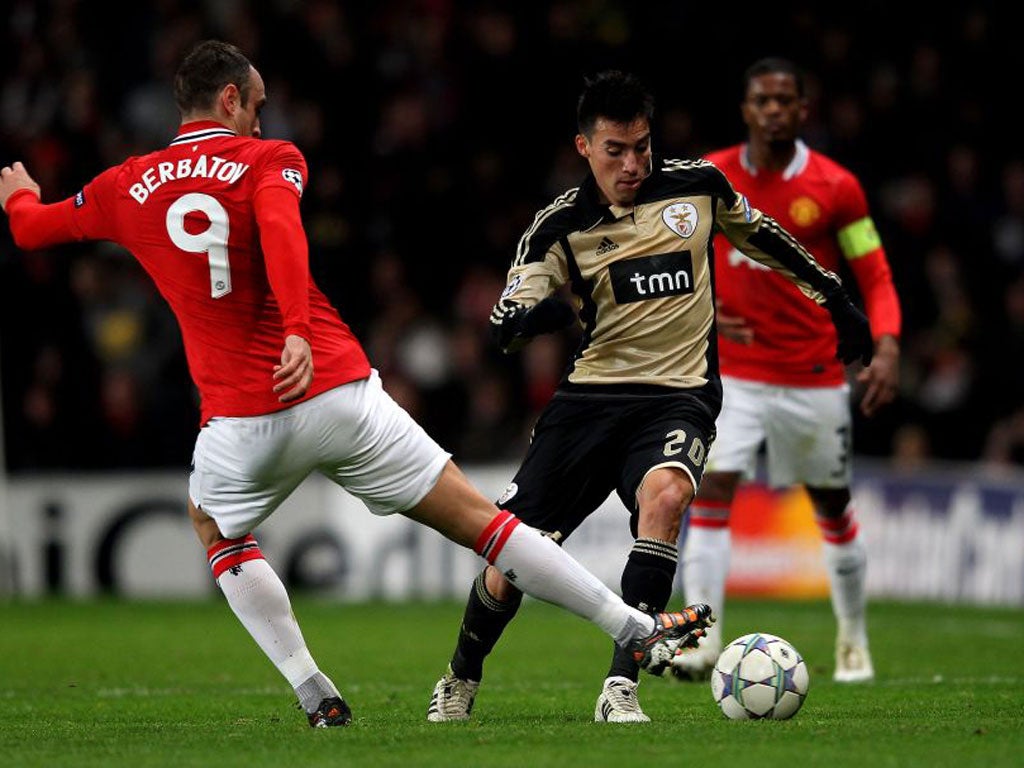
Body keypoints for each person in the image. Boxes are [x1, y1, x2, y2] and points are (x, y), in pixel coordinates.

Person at [0, 41, 717, 728]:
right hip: (340, 392)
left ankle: (315, 692)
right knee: (487, 525)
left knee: (214, 525)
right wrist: (296, 334)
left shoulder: (125, 183)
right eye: (256, 103)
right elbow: (281, 233)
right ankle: (633, 626)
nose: (261, 117)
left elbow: (33, 231)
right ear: (227, 98)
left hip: (242, 423)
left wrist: (19, 199)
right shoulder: (269, 158)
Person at [425, 69, 874, 724]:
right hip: (587, 406)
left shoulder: (698, 188)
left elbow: (767, 238)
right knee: (512, 558)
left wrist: (834, 296)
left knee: (665, 498)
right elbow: (506, 317)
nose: (634, 163)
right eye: (616, 150)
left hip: (677, 397)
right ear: (584, 147)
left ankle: (620, 689)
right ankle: (461, 676)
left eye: (642, 146)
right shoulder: (560, 225)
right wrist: (527, 322)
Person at [673, 57, 901, 684]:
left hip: (813, 372)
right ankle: (702, 638)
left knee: (831, 503)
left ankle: (853, 639)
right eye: (761, 101)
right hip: (733, 375)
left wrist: (888, 344)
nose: (773, 110)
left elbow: (874, 273)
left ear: (804, 110)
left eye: (784, 101)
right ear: (745, 109)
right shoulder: (709, 176)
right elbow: (670, 260)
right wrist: (709, 315)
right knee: (710, 489)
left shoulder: (835, 188)